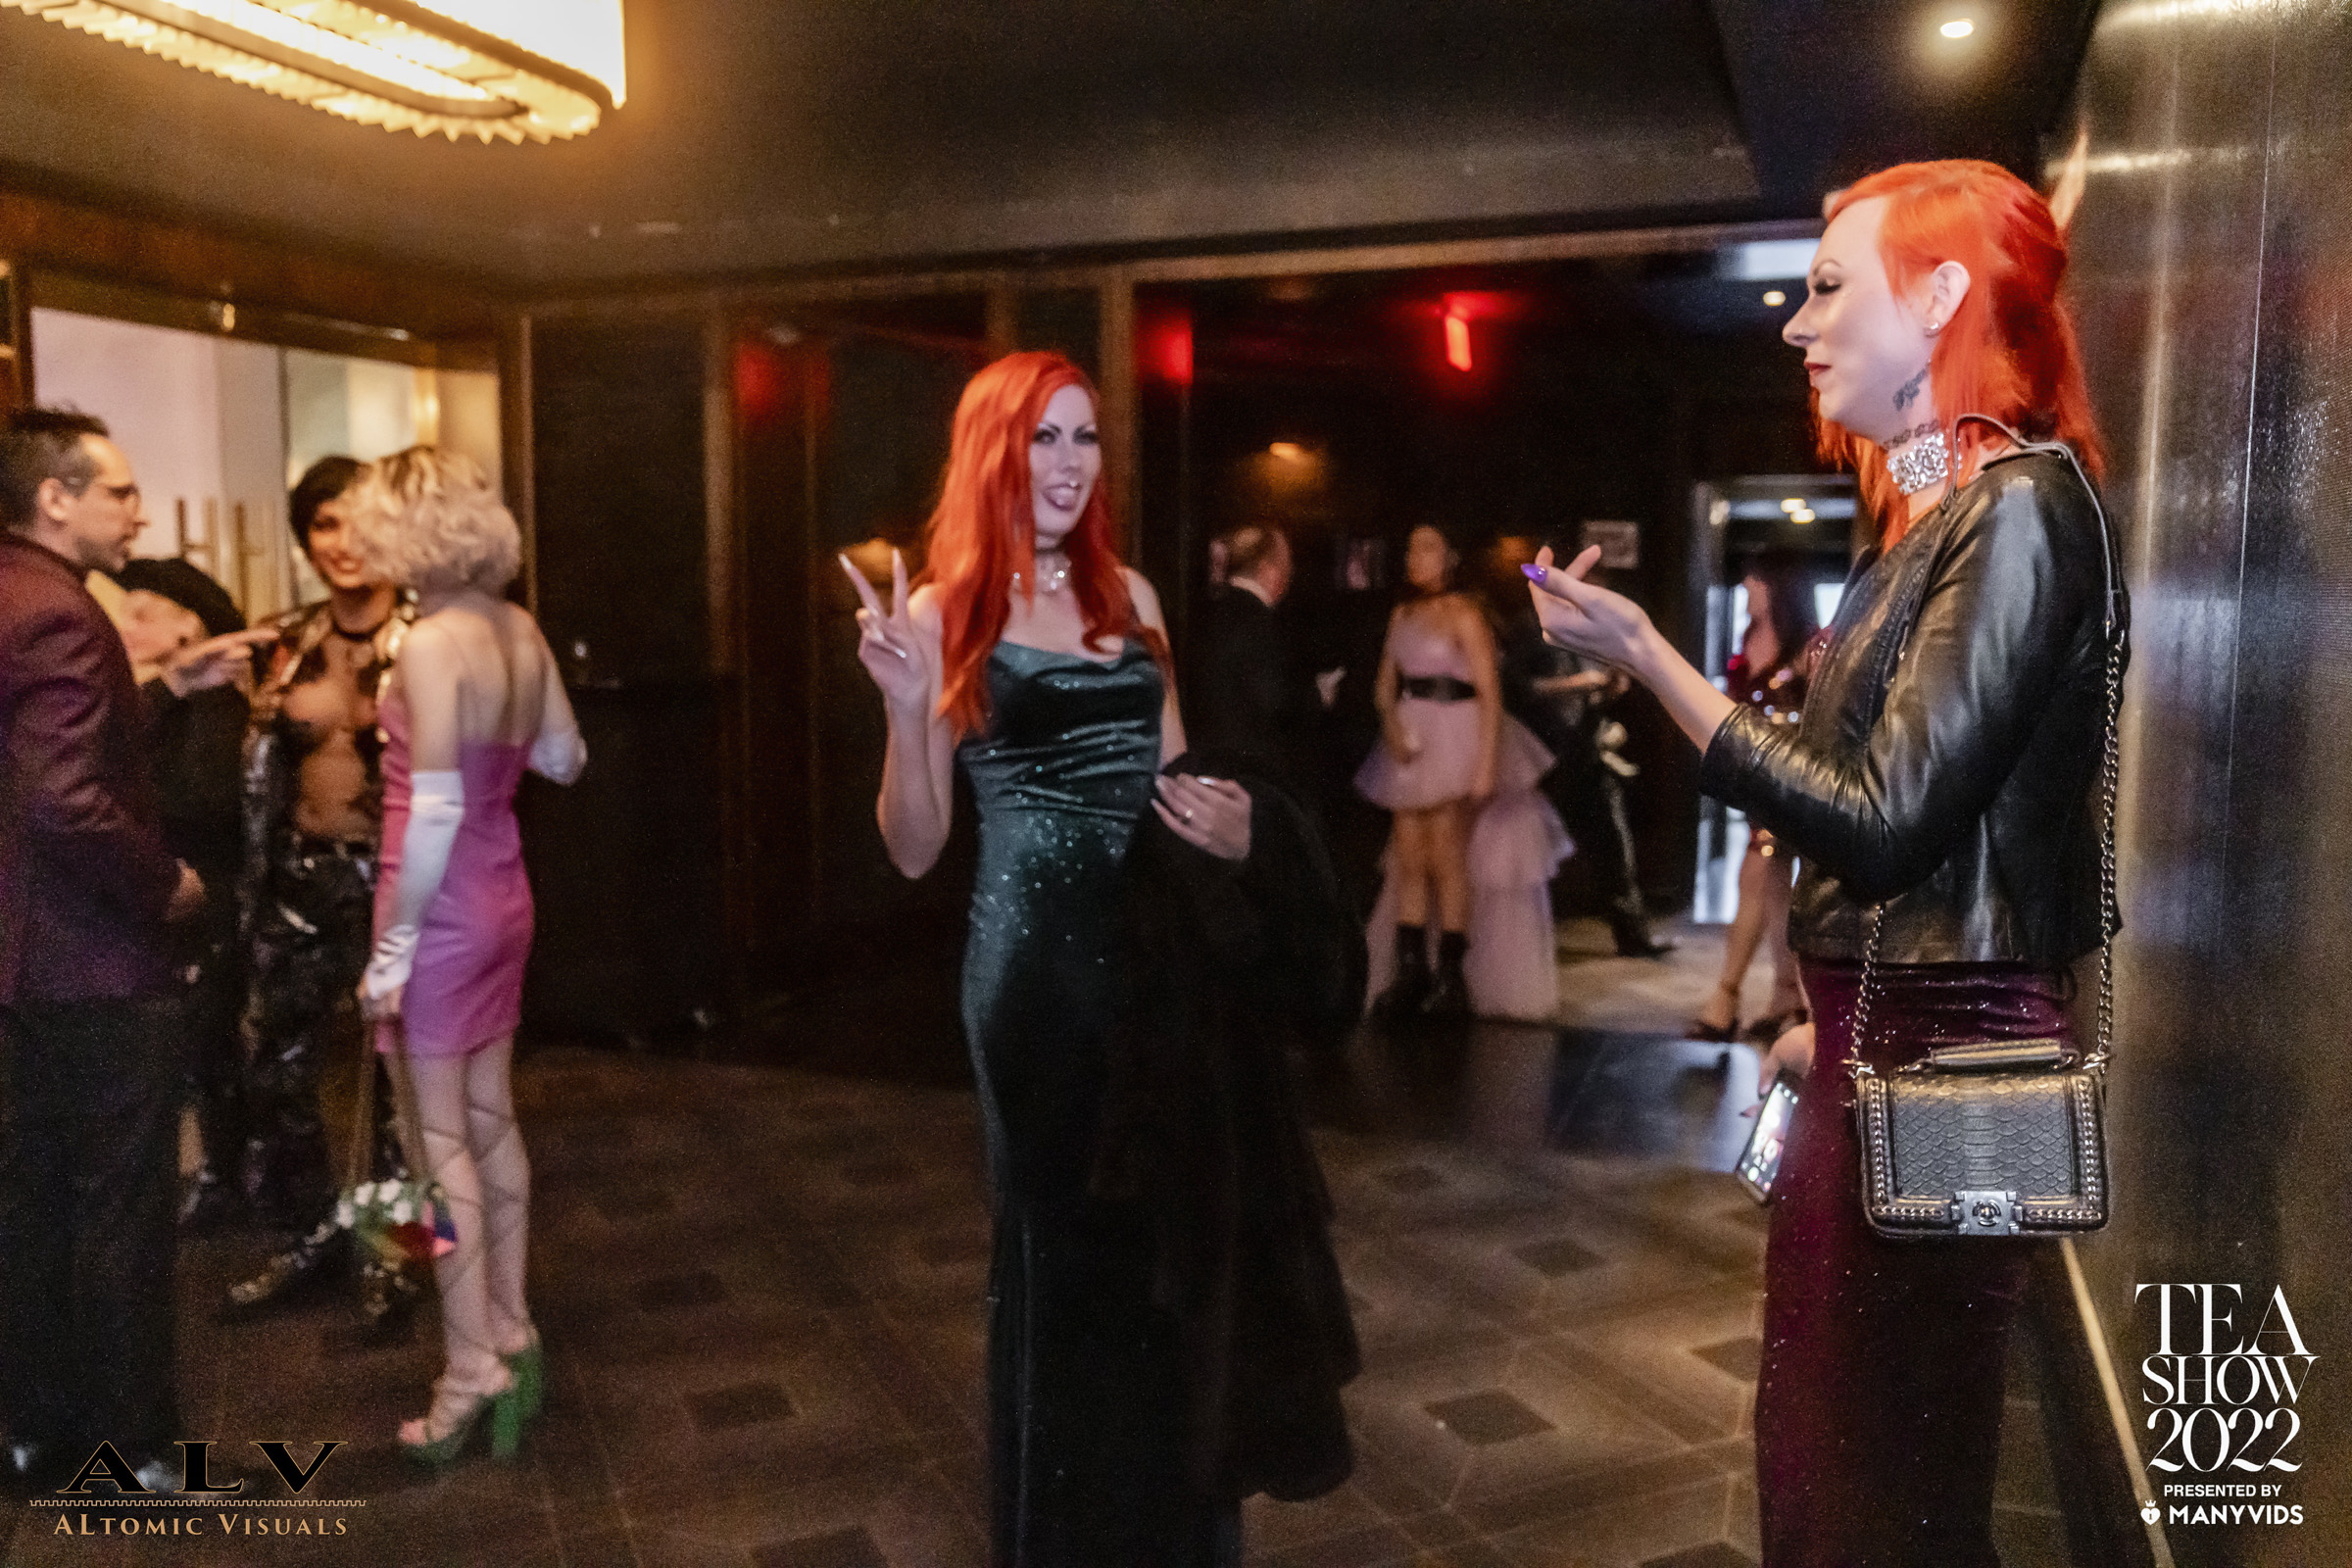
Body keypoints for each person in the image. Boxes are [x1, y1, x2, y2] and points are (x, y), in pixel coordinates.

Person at [1523, 161, 2120, 1564]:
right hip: (1898, 1040)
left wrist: (1652, 658)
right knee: (1855, 1464)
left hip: (1953, 1057)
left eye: (1830, 287)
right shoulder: (1945, 506)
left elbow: (1884, 814)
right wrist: (1827, 1024)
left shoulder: (2021, 506)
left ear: (1945, 295)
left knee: (1879, 1487)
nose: (1798, 324)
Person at [840, 351, 1357, 1566]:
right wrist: (903, 707)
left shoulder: (1133, 595)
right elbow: (914, 848)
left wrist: (1237, 831)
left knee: (1173, 1248)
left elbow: (1172, 781)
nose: (1069, 464)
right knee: (1063, 1260)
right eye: (1044, 438)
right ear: (994, 451)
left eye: (1084, 438)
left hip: (1156, 964)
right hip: (1033, 981)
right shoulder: (942, 610)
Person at [0, 409, 264, 1492]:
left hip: (24, 967)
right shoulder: (63, 613)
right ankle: (138, 1456)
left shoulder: (13, 594)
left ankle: (35, 1431)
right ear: (54, 497)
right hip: (91, 963)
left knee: (33, 1204)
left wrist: (164, 690)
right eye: (118, 491)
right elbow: (63, 801)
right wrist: (168, 884)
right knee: (118, 1211)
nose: (139, 513)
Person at [349, 447, 584, 1465]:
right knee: (490, 1120)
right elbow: (566, 758)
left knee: (437, 1145)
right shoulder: (519, 628)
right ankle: (509, 1324)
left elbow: (433, 808)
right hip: (505, 893)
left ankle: (467, 1368)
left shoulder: (429, 642)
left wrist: (390, 953)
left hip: (438, 908)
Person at [222, 457, 421, 1335]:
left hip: (397, 879)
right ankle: (311, 1238)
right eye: (324, 524)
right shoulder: (285, 641)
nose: (343, 543)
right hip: (299, 877)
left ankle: (398, 1258)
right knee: (279, 1070)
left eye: (359, 522)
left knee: (401, 1082)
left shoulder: (429, 636)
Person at [1358, 524, 1566, 1020]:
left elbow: (1491, 694)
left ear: (1450, 556)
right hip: (1412, 735)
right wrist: (1391, 725)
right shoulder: (1403, 614)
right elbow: (1384, 685)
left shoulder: (1466, 614)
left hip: (1455, 733)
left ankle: (1451, 979)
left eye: (1427, 547)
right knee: (1409, 858)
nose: (1415, 556)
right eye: (1411, 547)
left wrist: (1487, 765)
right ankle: (1412, 972)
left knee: (1447, 856)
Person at [113, 559, 255, 1236]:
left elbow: (198, 799)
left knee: (209, 1041)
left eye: (142, 613)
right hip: (175, 895)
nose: (124, 626)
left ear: (188, 627)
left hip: (212, 896)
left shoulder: (216, 706)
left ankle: (230, 1179)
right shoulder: (162, 697)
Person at [1690, 553, 1819, 1044]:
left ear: (1777, 586)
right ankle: (1785, 999)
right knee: (1770, 888)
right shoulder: (1749, 638)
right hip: (1756, 780)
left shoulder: (1808, 644)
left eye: (1755, 578)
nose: (1746, 585)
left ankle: (1729, 998)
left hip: (1791, 781)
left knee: (1761, 878)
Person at [1190, 524, 1317, 799]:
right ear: (1267, 570)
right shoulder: (1261, 622)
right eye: (1286, 565)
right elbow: (1274, 700)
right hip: (1250, 777)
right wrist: (1315, 696)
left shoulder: (1204, 615)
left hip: (1203, 767)